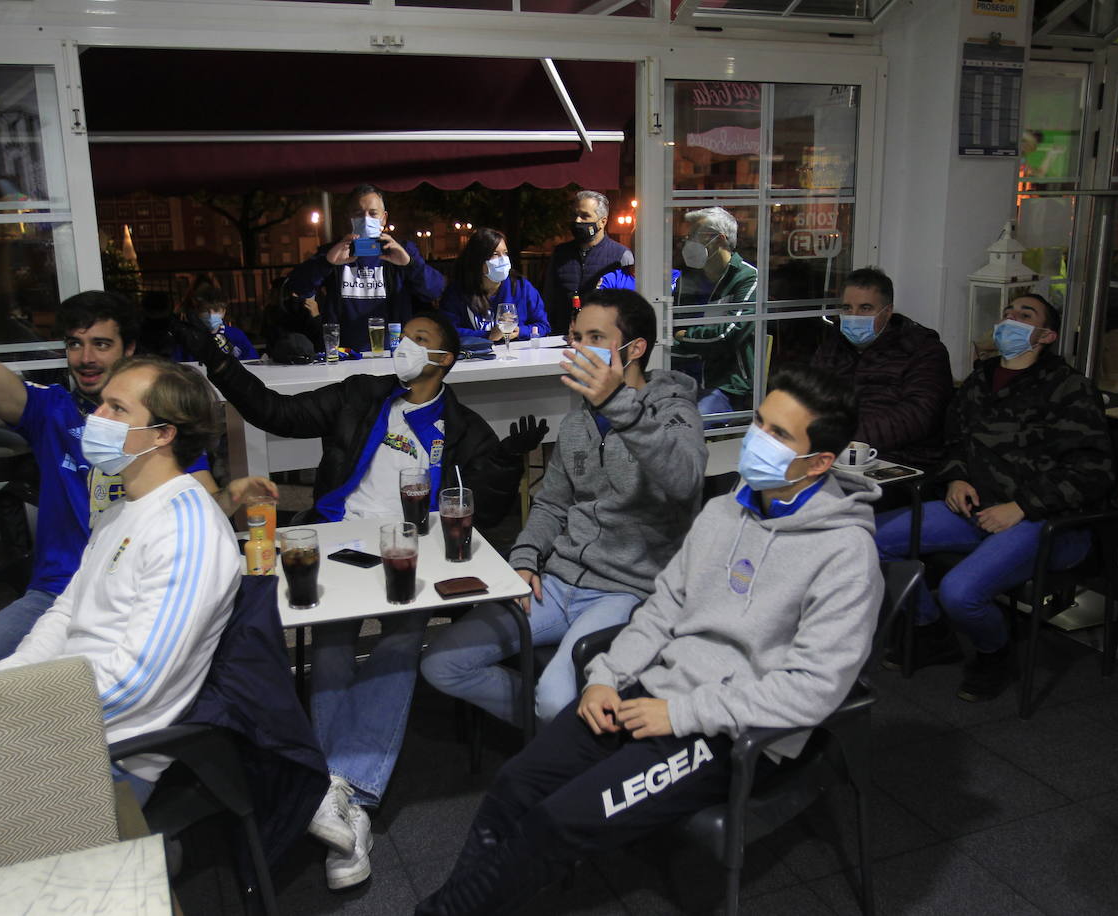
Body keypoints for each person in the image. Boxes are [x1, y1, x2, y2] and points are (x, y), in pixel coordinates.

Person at [416, 365, 883, 915]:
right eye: (759, 422)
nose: (758, 439)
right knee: (515, 785)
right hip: (650, 692)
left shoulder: (847, 555)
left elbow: (812, 690)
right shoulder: (723, 510)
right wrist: (606, 676)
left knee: (554, 823)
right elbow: (664, 607)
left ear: (820, 462)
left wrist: (681, 715)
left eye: (779, 435)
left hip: (727, 732)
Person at [174, 309, 547, 891]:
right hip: (337, 538)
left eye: (419, 340)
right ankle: (340, 796)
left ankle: (342, 794)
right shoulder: (360, 395)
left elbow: (483, 510)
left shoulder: (461, 424)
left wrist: (504, 461)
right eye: (405, 335)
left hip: (409, 549)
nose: (404, 346)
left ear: (443, 360)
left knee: (401, 640)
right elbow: (274, 411)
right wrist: (220, 362)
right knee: (330, 643)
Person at [0, 356, 243, 804]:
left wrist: (10, 712)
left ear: (163, 434)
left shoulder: (187, 530)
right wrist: (3, 685)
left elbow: (134, 683)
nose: (95, 418)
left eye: (117, 409)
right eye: (100, 406)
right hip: (48, 715)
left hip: (98, 752)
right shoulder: (119, 511)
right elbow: (65, 611)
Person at [0, 214, 250, 680]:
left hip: (126, 593)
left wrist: (233, 497)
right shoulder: (49, 410)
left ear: (128, 349)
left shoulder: (154, 429)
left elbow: (199, 507)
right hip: (54, 594)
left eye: (101, 344)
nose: (86, 358)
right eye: (75, 344)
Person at [422, 288, 706, 726]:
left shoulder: (673, 411)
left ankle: (558, 728)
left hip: (626, 591)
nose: (578, 347)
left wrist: (619, 408)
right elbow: (552, 503)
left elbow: (685, 479)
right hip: (556, 581)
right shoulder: (578, 419)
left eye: (595, 336)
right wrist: (525, 559)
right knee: (441, 663)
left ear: (635, 349)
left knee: (557, 699)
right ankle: (554, 735)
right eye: (576, 336)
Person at [872, 294, 1113, 702]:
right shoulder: (980, 380)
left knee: (959, 592)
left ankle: (994, 653)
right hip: (975, 510)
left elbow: (1094, 473)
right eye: (1007, 313)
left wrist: (1022, 507)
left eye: (1025, 315)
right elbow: (953, 443)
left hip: (1043, 521)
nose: (1010, 319)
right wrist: (955, 480)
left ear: (1047, 334)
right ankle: (931, 633)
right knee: (866, 540)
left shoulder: (1069, 388)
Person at [809, 267, 953, 470]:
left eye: (865, 308)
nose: (854, 315)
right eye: (847, 308)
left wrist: (847, 438)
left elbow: (918, 416)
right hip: (834, 456)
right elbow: (809, 397)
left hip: (901, 462)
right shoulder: (832, 347)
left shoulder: (923, 350)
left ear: (888, 311)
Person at [286, 184, 445, 351]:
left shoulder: (400, 250)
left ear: (384, 218)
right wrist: (326, 263)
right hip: (344, 354)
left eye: (373, 213)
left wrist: (410, 264)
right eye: (358, 214)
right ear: (349, 218)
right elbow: (297, 287)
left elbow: (435, 290)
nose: (366, 219)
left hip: (393, 353)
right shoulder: (337, 251)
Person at [670, 207, 760, 418]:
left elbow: (727, 335)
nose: (688, 242)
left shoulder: (746, 277)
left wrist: (684, 336)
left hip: (726, 385)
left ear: (719, 239)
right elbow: (670, 328)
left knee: (686, 426)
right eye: (687, 236)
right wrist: (680, 338)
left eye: (694, 236)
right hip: (683, 377)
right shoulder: (687, 279)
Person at [541, 190, 634, 336]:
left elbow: (629, 307)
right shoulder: (560, 253)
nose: (577, 221)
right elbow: (548, 298)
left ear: (602, 222)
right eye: (575, 215)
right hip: (561, 338)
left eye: (585, 216)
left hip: (603, 342)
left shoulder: (621, 256)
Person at [440, 228, 551, 341]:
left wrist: (520, 331)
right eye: (495, 254)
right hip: (476, 358)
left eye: (505, 253)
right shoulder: (457, 292)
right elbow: (447, 331)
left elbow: (543, 326)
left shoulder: (522, 288)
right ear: (477, 260)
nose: (503, 259)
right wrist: (488, 335)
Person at [172, 280, 259, 362]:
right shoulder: (188, 337)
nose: (211, 314)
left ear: (224, 312)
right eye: (205, 310)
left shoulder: (236, 335)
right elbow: (178, 365)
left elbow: (252, 359)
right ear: (197, 312)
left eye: (216, 310)